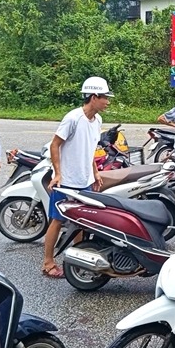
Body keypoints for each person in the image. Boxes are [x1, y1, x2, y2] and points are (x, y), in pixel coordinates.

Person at [40, 77, 111, 278]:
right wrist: (58, 173)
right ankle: (48, 262)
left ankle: (77, 258)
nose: (108, 102)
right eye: (105, 97)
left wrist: (95, 172)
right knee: (57, 220)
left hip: (85, 180)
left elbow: (89, 149)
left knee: (82, 221)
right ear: (94, 97)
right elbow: (55, 145)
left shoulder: (97, 120)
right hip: (66, 182)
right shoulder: (73, 118)